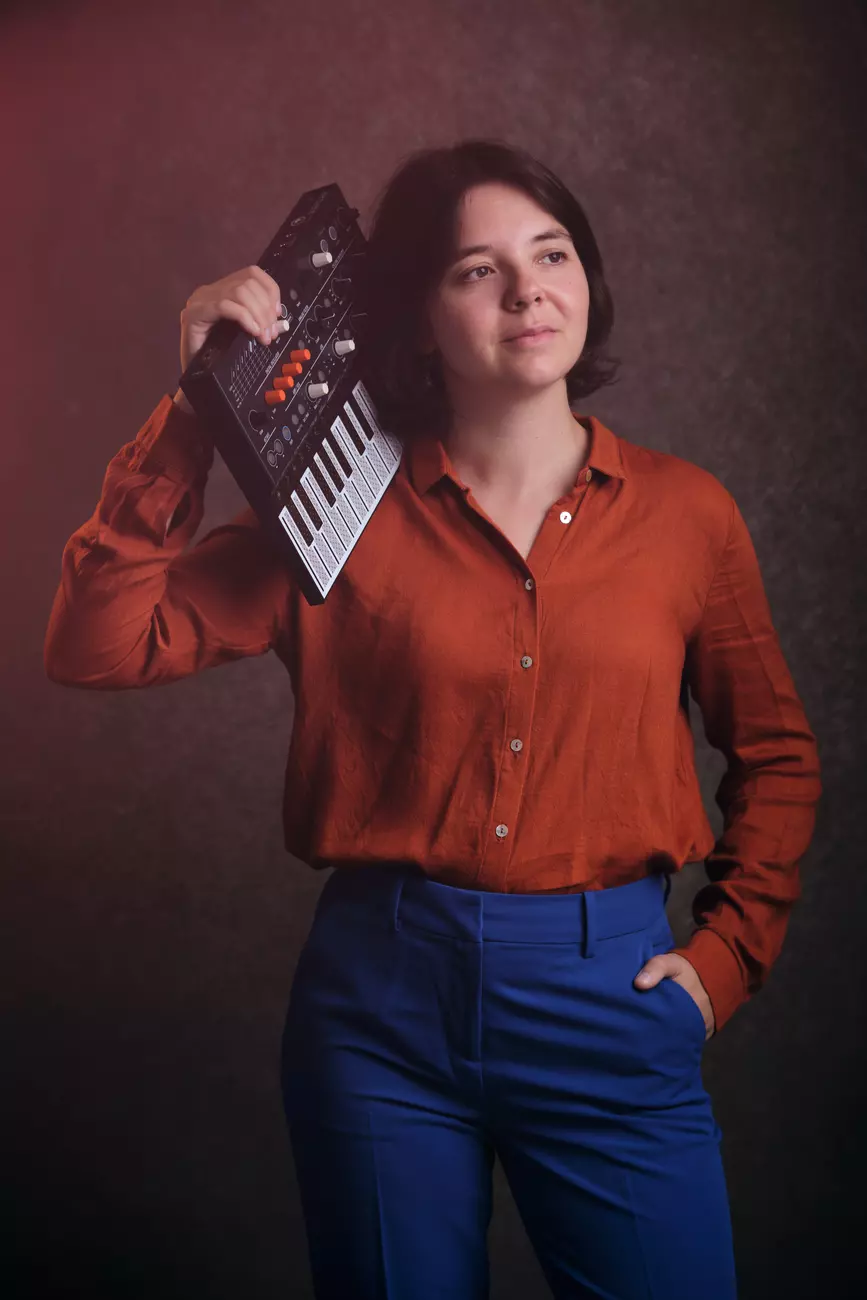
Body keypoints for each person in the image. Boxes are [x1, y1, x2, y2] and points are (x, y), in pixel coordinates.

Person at [44, 139, 822, 1299]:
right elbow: (95, 647)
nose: (527, 289)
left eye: (550, 253)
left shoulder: (686, 517)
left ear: (586, 281)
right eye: (475, 269)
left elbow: (775, 755)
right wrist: (201, 407)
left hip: (609, 995)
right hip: (379, 1011)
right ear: (413, 319)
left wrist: (725, 961)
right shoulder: (336, 517)